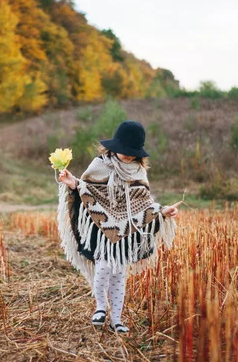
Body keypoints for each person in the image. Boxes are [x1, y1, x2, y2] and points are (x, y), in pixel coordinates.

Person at [56, 120, 179, 333]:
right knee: (103, 266)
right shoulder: (99, 164)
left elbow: (144, 201)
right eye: (125, 151)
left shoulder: (138, 171)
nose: (128, 155)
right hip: (102, 227)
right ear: (114, 146)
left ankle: (117, 319)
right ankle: (100, 307)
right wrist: (72, 182)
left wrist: (163, 211)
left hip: (126, 232)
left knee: (119, 273)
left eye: (133, 152)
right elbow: (87, 189)